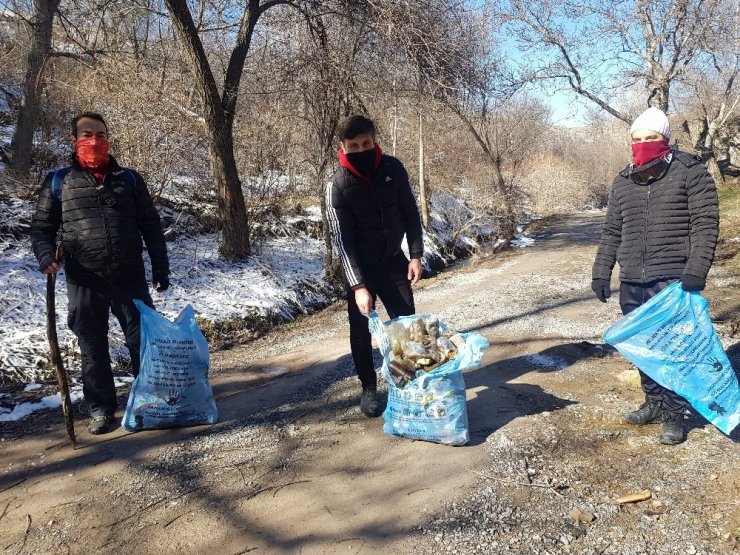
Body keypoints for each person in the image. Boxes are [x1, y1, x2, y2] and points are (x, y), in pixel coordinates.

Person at [30, 112, 170, 435]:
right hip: (84, 280)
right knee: (92, 347)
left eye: (100, 134)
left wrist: (160, 267)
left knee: (142, 342)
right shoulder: (58, 182)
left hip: (128, 277)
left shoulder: (129, 180)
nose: (94, 140)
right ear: (73, 140)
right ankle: (101, 409)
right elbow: (41, 228)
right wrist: (44, 256)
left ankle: (149, 401)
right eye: (87, 134)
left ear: (108, 138)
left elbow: (151, 226)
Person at [591, 107, 719, 445]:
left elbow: (706, 225)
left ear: (666, 139)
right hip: (633, 278)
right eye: (638, 139)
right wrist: (601, 271)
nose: (644, 144)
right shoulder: (623, 180)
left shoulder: (692, 172)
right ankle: (653, 403)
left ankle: (675, 414)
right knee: (642, 349)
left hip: (674, 279)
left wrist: (696, 270)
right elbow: (612, 231)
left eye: (652, 138)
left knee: (674, 348)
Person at [326, 114, 424, 417]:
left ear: (374, 140)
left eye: (366, 143)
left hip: (393, 260)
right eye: (353, 146)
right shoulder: (336, 184)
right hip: (360, 268)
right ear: (342, 147)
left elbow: (410, 213)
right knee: (360, 330)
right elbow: (342, 241)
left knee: (407, 325)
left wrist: (416, 255)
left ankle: (405, 382)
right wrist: (358, 287)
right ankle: (368, 388)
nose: (361, 150)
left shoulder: (393, 168)